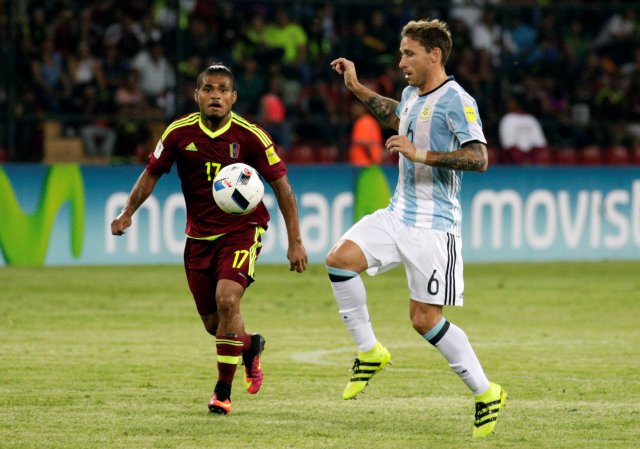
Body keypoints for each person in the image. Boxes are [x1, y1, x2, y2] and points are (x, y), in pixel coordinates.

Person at [327, 19, 506, 438]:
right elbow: (396, 114)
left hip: (435, 227)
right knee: (339, 261)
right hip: (397, 213)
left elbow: (479, 158)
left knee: (424, 320)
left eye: (409, 53)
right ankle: (369, 351)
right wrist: (356, 87)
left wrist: (420, 154)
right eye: (401, 52)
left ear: (434, 55)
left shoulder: (459, 101)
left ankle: (486, 392)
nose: (401, 60)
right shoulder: (411, 94)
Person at [111, 64, 308, 415]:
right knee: (215, 325)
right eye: (208, 88)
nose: (215, 95)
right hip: (199, 236)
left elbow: (282, 188)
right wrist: (128, 211)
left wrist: (295, 241)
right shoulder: (178, 133)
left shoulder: (251, 136)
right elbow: (150, 175)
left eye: (222, 90)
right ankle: (250, 345)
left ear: (233, 97)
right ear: (197, 94)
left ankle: (222, 392)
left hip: (243, 230)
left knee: (228, 300)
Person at [348, 100, 383, 166]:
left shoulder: (362, 122)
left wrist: (371, 160)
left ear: (363, 108)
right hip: (372, 163)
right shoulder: (372, 121)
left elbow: (365, 143)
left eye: (356, 107)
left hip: (363, 164)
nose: (353, 110)